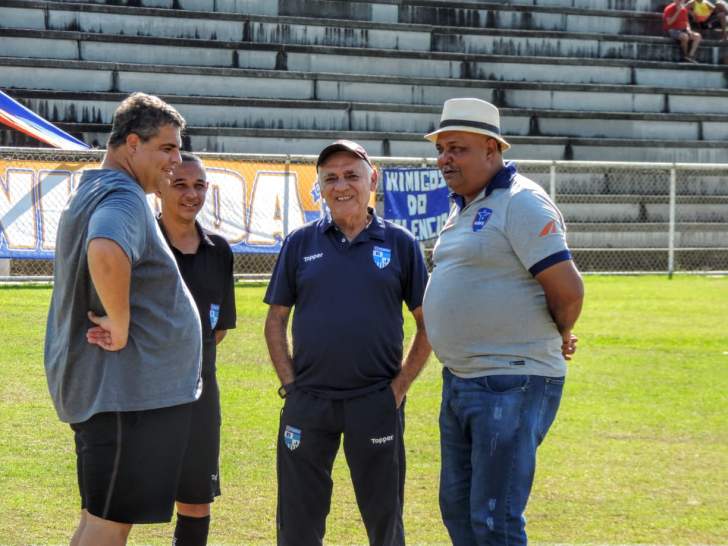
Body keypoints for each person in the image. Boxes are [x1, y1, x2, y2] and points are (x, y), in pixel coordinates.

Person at [421, 98, 584, 546]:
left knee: (495, 517)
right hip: (462, 379)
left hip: (511, 379)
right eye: (441, 149)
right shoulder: (466, 205)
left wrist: (559, 330)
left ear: (492, 150)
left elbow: (568, 291)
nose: (445, 159)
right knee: (458, 509)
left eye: (458, 148)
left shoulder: (521, 201)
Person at [44, 92, 203, 546]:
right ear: (132, 144)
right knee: (107, 527)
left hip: (120, 397)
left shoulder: (99, 189)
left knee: (100, 520)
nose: (177, 160)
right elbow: (105, 248)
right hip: (124, 399)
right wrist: (120, 321)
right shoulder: (124, 196)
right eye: (167, 148)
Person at [263, 140, 432, 546]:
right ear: (319, 187)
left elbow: (429, 325)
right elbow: (275, 321)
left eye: (351, 175)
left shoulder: (400, 243)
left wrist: (398, 388)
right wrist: (291, 385)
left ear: (372, 178)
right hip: (309, 403)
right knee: (297, 521)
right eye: (330, 178)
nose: (341, 186)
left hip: (375, 401)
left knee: (384, 519)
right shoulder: (300, 243)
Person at [156, 152, 237, 546]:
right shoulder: (141, 243)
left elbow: (216, 329)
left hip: (201, 397)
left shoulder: (219, 250)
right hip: (145, 397)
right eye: (180, 184)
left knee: (195, 502)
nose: (192, 194)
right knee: (122, 504)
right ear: (160, 187)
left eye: (199, 185)